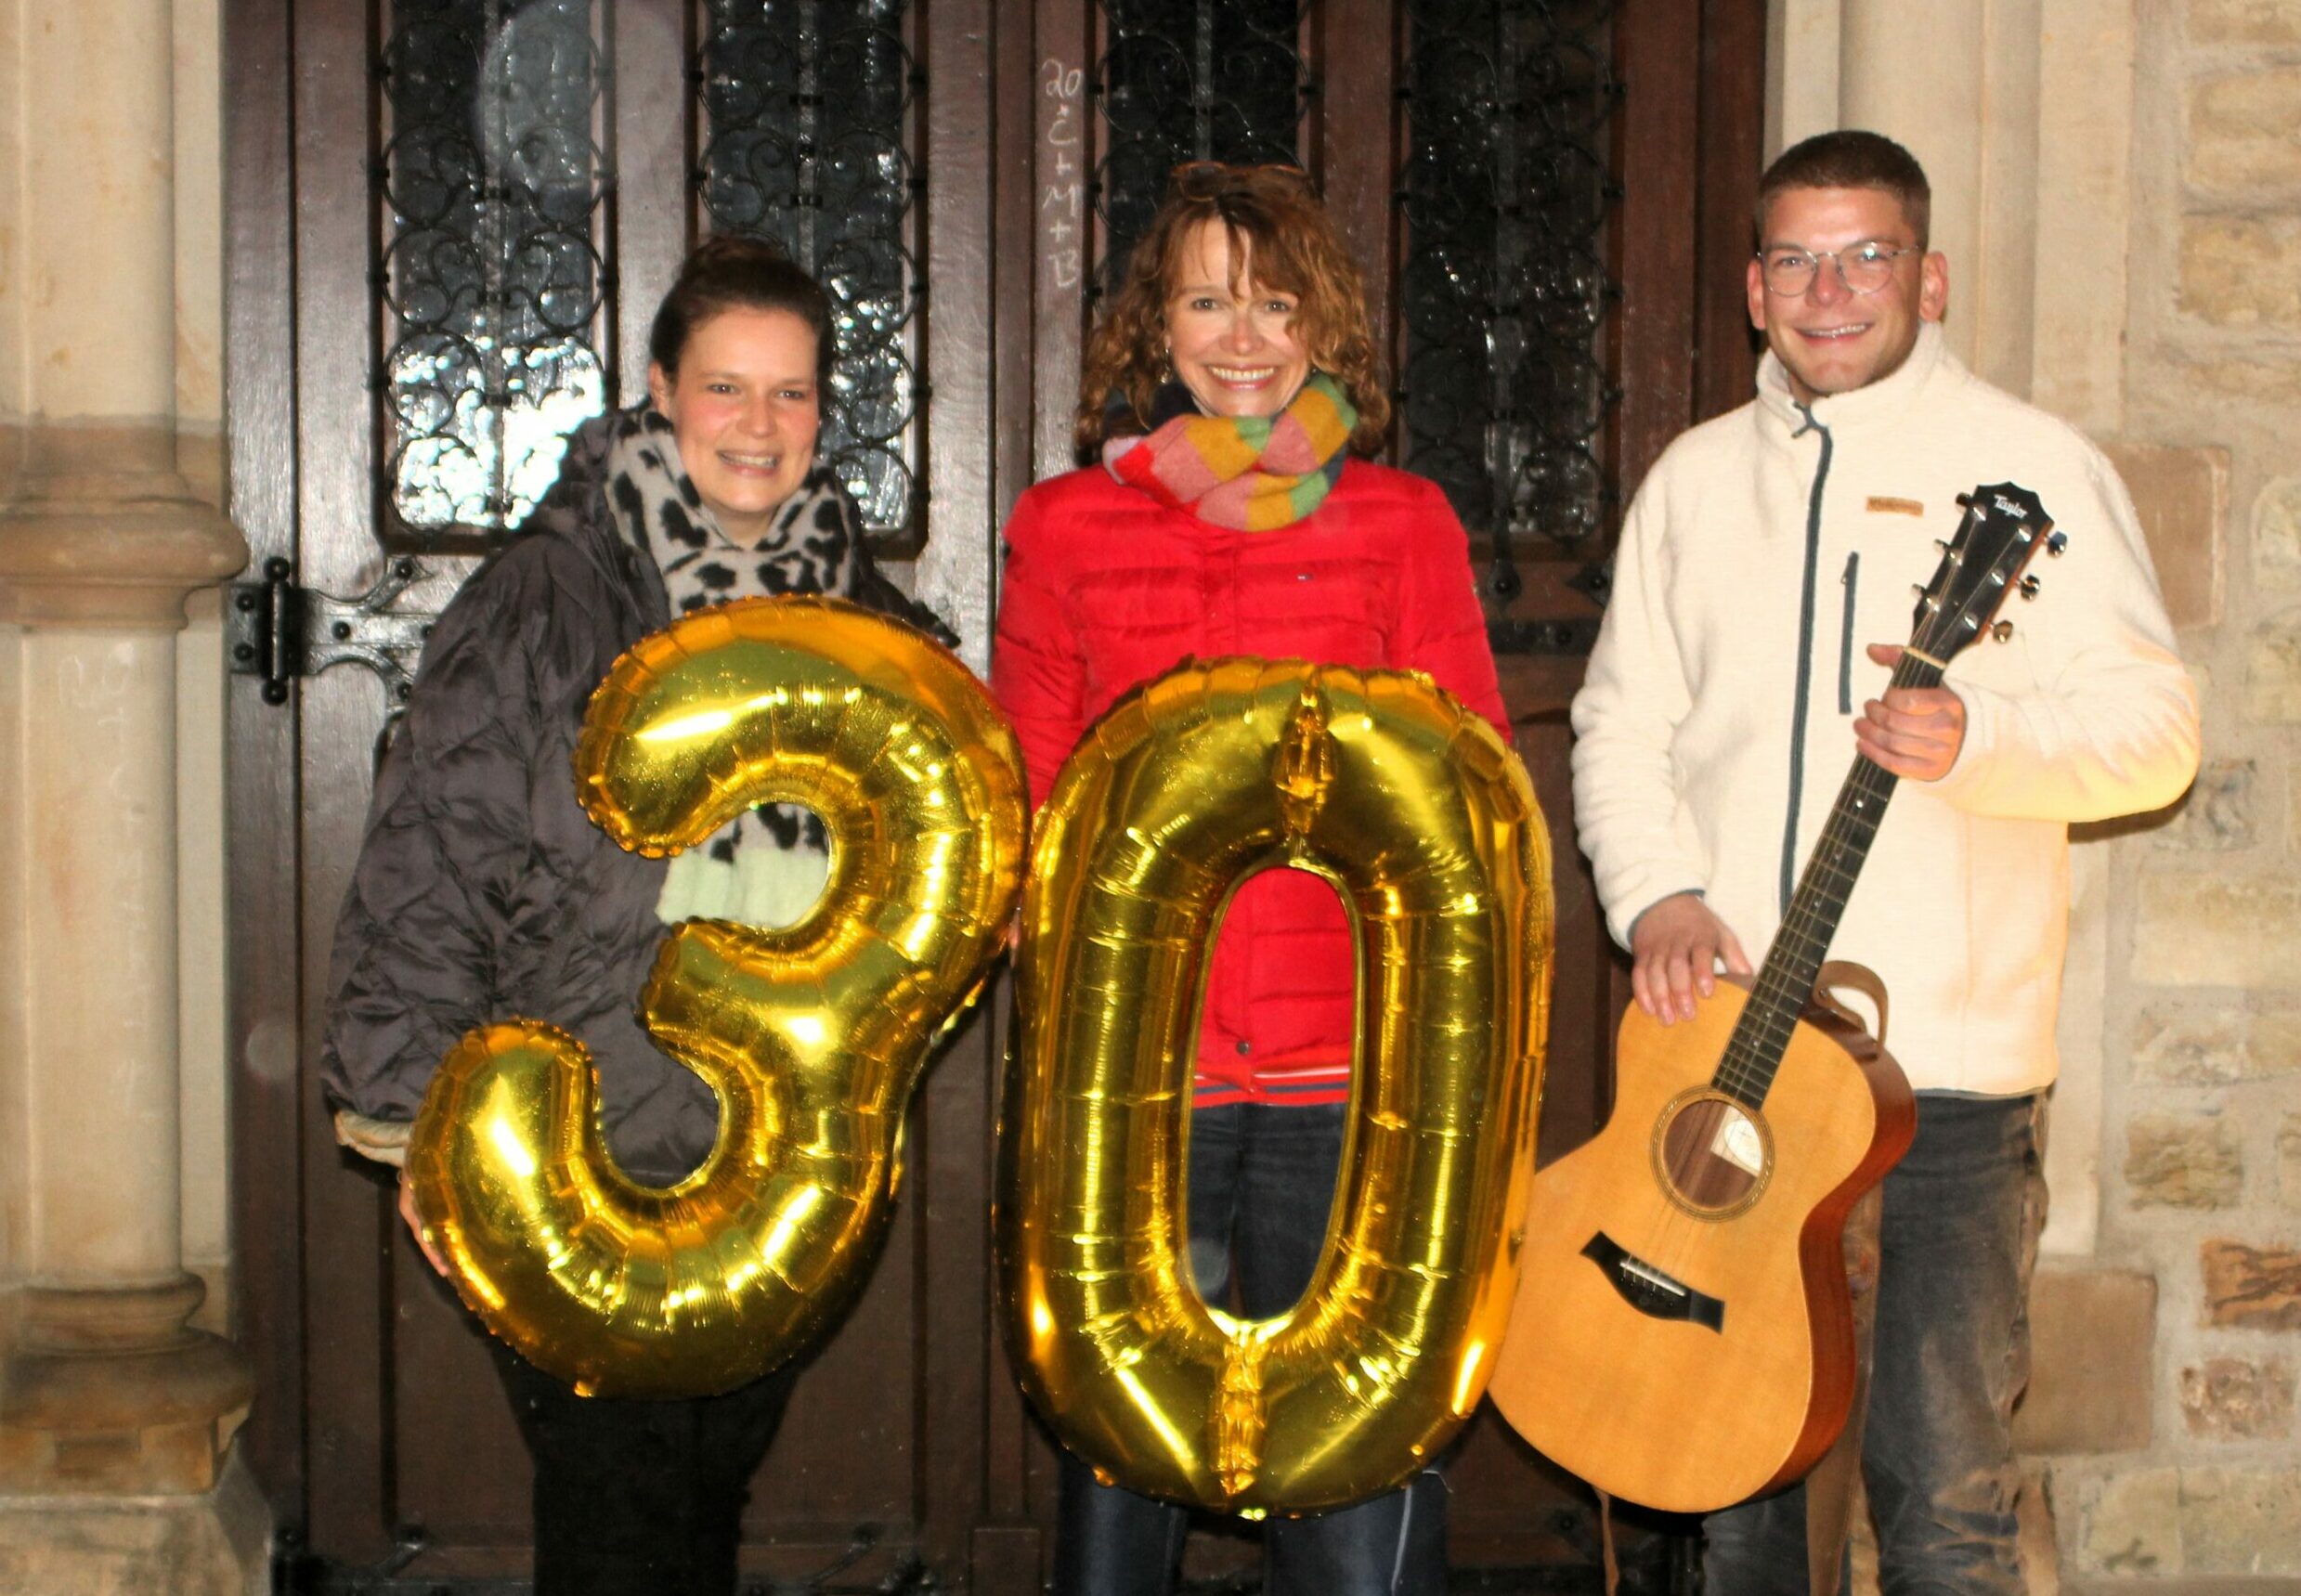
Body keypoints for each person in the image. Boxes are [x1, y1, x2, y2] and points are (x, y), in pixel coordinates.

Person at [1569, 129, 2200, 1592]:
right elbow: (1618, 723)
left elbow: (2154, 735)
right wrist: (1656, 892)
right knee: (1734, 1486)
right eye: (1795, 257)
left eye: (1863, 256)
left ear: (1928, 278)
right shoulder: (1692, 478)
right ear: (1750, 287)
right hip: (1728, 1065)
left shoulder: (2036, 468)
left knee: (1943, 1494)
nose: (1828, 289)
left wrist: (1975, 736)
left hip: (1948, 1089)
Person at [320, 235, 952, 1596]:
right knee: (615, 1508)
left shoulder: (872, 620)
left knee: (710, 1484)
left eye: (789, 395)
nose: (759, 426)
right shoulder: (546, 597)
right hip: (585, 1116)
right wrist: (407, 1117)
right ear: (659, 388)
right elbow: (435, 852)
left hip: (781, 1125)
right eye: (727, 388)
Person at [990, 161, 1508, 1596]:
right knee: (1122, 1478)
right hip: (1133, 1078)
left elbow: (1467, 791)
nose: (1240, 335)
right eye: (1207, 299)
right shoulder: (1064, 526)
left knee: (1353, 1473)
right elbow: (1033, 786)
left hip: (1349, 1070)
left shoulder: (1405, 524)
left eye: (1273, 302)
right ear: (1153, 327)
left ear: (1320, 324)